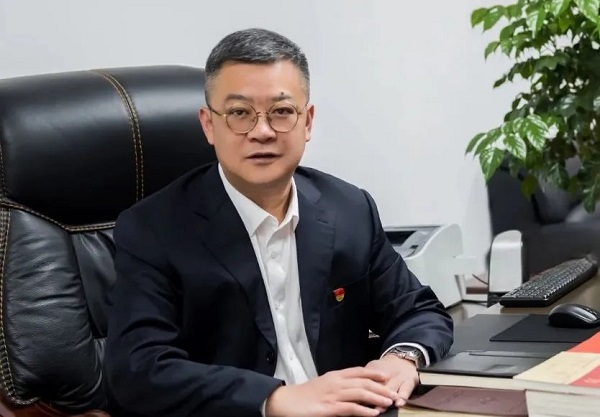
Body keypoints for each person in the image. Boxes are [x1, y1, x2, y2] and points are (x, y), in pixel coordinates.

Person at [104, 28, 453, 417]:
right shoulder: (153, 228)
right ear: (208, 125)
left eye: (282, 112)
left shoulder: (349, 208)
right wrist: (273, 399)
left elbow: (419, 310)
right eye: (239, 113)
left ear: (308, 121)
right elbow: (136, 369)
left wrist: (401, 358)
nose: (262, 132)